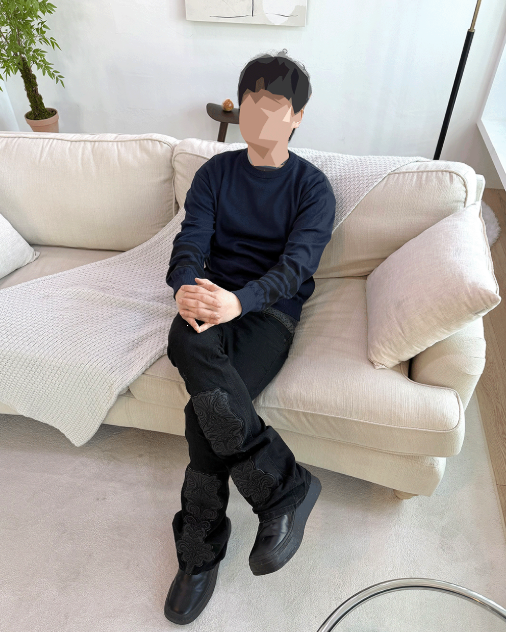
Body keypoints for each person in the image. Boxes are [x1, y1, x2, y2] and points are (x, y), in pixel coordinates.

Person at [164, 49, 336, 625]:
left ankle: (198, 551)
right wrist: (185, 287)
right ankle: (283, 489)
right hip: (210, 298)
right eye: (252, 102)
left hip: (268, 312)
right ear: (240, 107)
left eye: (276, 103)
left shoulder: (312, 189)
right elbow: (191, 239)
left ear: (297, 116)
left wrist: (240, 301)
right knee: (185, 341)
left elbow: (296, 267)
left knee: (205, 416)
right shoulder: (214, 174)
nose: (261, 114)